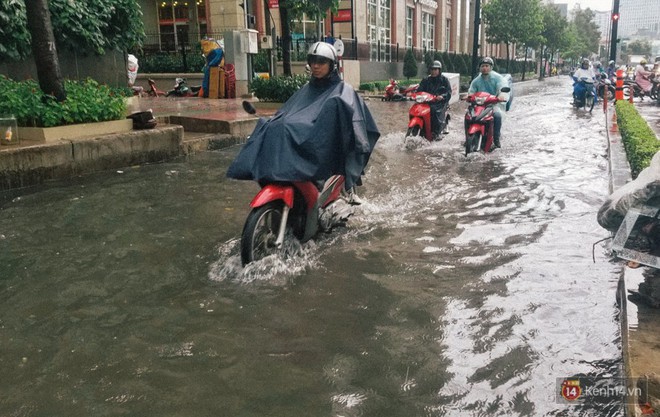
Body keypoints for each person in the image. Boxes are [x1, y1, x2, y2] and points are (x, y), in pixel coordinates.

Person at [227, 41, 380, 205]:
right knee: (273, 126)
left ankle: (345, 190)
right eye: (313, 61)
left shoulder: (344, 91)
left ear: (331, 64)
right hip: (305, 132)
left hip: (327, 142)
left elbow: (355, 124)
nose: (316, 66)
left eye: (321, 62)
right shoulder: (306, 89)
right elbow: (288, 112)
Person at [466, 57, 509, 149]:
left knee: (497, 116)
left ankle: (496, 139)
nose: (485, 68)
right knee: (468, 115)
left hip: (493, 104)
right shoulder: (476, 80)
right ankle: (467, 138)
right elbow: (471, 91)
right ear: (480, 68)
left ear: (491, 67)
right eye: (482, 66)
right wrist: (468, 96)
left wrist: (501, 96)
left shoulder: (498, 78)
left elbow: (503, 88)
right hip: (479, 104)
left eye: (487, 66)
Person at [417, 60, 452, 140]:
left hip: (439, 103)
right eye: (432, 69)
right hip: (426, 102)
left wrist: (442, 96)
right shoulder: (426, 80)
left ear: (439, 70)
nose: (434, 71)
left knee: (433, 111)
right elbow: (420, 89)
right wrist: (413, 94)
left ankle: (435, 132)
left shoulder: (444, 80)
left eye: (436, 69)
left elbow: (448, 92)